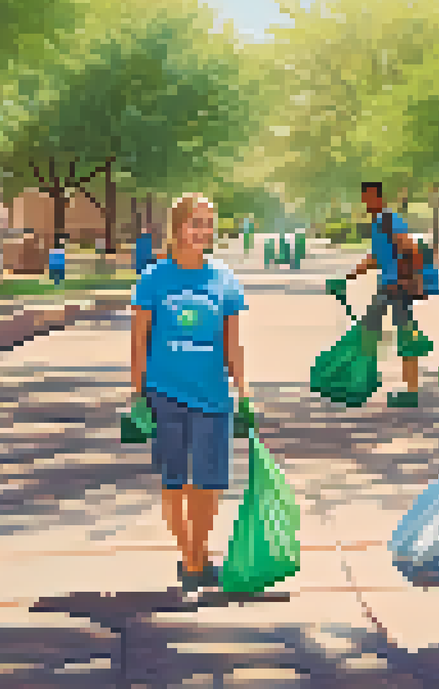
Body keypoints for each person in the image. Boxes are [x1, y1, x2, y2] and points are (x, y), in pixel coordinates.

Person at [130, 192, 251, 593]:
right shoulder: (154, 279)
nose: (203, 231)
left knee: (210, 484)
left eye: (208, 224)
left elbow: (233, 344)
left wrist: (244, 390)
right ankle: (192, 559)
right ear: (178, 227)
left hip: (213, 396)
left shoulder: (224, 279)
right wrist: (137, 393)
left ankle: (196, 558)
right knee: (174, 481)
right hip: (164, 393)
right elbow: (139, 340)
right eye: (195, 223)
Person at [337, 181, 431, 408]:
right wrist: (350, 276)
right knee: (369, 331)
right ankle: (362, 380)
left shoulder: (389, 220)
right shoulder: (378, 223)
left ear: (380, 198)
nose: (367, 202)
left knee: (405, 336)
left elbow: (411, 247)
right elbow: (376, 258)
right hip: (386, 287)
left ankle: (411, 391)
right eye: (364, 198)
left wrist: (410, 278)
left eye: (370, 197)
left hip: (397, 288)